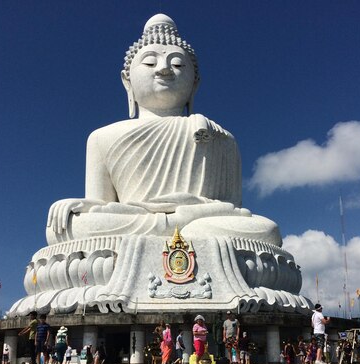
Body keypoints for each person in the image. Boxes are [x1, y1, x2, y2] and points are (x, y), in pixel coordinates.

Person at [45, 14, 281, 247]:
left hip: (200, 222)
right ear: (127, 81)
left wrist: (189, 214)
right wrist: (85, 206)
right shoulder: (101, 137)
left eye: (177, 64)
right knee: (71, 226)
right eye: (149, 62)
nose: (164, 69)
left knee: (266, 230)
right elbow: (100, 203)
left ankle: (181, 230)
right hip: (135, 221)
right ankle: (183, 230)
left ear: (194, 84)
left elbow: (233, 209)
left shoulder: (220, 137)